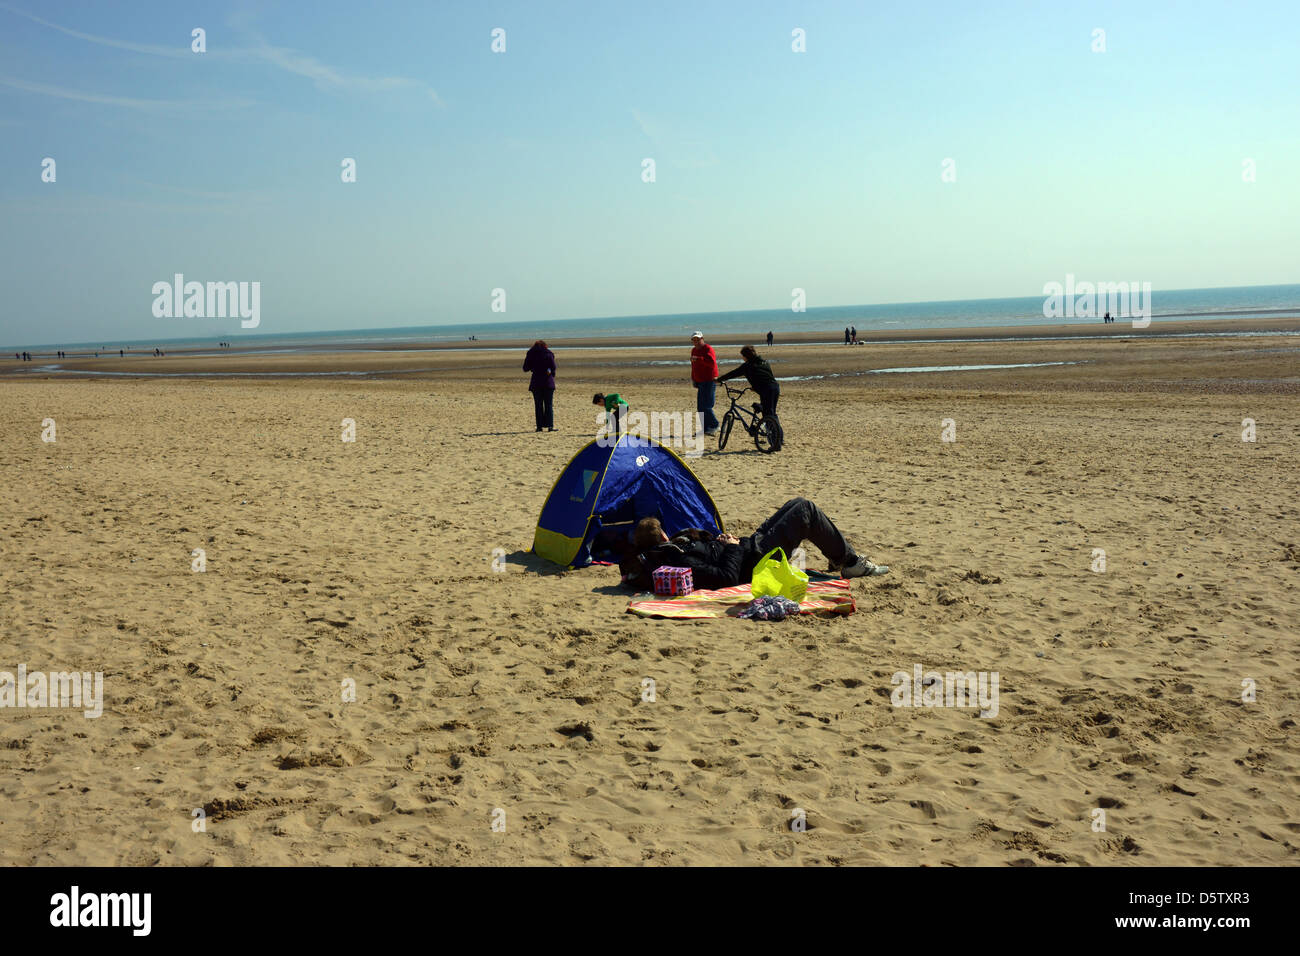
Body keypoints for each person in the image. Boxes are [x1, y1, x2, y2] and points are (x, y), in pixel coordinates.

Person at [625, 498, 889, 590]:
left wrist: (722, 541)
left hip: (751, 546)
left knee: (795, 503)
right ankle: (850, 563)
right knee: (805, 510)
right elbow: (727, 577)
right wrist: (731, 546)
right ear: (662, 537)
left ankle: (839, 556)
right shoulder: (680, 559)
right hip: (759, 560)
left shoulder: (677, 549)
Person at [717, 344, 782, 449]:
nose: (742, 358)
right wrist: (755, 387)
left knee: (768, 415)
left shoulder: (747, 366)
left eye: (742, 356)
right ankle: (779, 438)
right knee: (772, 413)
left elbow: (734, 373)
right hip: (774, 388)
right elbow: (765, 376)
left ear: (745, 356)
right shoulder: (764, 362)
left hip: (766, 390)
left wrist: (719, 379)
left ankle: (776, 444)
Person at [689, 331, 720, 437]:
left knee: (707, 405)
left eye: (698, 339)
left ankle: (715, 425)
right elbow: (694, 366)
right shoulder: (694, 350)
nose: (696, 342)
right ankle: (705, 428)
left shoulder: (708, 348)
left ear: (702, 339)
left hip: (709, 379)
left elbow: (711, 362)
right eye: (694, 340)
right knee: (700, 407)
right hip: (700, 381)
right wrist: (693, 378)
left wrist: (699, 359)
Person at [523, 339, 557, 432]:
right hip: (548, 382)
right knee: (548, 405)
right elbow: (553, 367)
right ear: (545, 346)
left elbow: (525, 368)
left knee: (538, 405)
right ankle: (550, 426)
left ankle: (539, 427)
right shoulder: (548, 353)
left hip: (536, 383)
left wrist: (533, 368)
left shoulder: (530, 354)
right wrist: (551, 373)